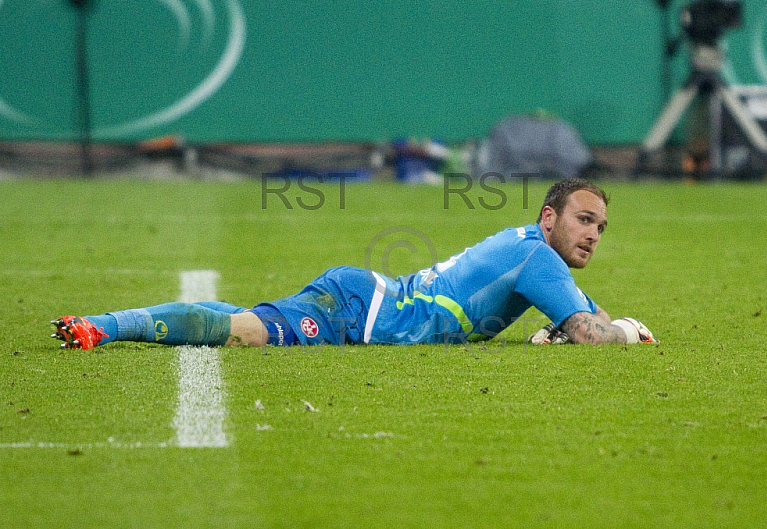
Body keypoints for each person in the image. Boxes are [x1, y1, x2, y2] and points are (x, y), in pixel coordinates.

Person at [51, 178, 657, 350]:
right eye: (583, 220)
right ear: (550, 218)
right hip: (360, 313)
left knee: (247, 320)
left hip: (361, 296)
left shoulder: (530, 246)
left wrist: (583, 323)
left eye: (601, 227)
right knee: (247, 333)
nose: (593, 235)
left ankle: (105, 322)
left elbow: (578, 316)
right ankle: (105, 326)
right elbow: (588, 331)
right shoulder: (538, 259)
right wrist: (626, 332)